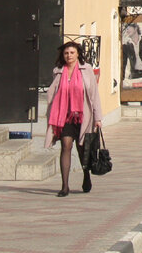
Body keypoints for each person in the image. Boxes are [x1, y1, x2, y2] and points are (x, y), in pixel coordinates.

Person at [45, 41, 103, 197]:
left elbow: (94, 95)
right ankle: (65, 186)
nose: (69, 56)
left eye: (71, 53)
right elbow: (54, 93)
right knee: (66, 145)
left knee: (82, 148)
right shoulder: (58, 71)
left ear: (78, 54)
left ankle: (86, 176)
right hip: (64, 116)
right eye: (66, 53)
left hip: (83, 116)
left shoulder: (87, 69)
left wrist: (98, 117)